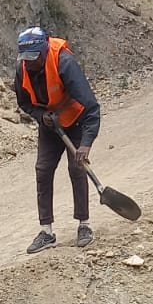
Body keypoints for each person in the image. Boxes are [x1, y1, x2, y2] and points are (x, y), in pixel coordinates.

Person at [15, 27, 101, 254]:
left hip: (76, 119)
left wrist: (85, 143)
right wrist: (40, 116)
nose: (30, 63)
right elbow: (24, 103)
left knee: (77, 168)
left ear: (44, 51)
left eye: (34, 58)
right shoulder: (22, 68)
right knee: (43, 170)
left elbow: (91, 107)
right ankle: (46, 231)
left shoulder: (65, 63)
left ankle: (84, 225)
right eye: (26, 59)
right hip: (50, 124)